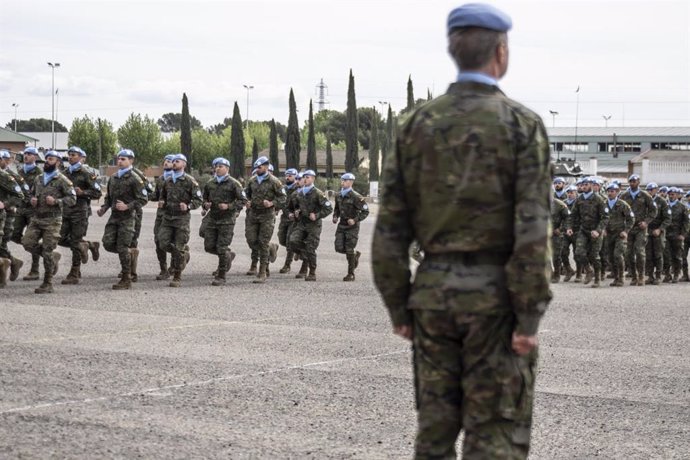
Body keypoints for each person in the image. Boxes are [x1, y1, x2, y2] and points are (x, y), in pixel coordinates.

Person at [372, 4, 551, 458]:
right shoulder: (521, 125)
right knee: (494, 435)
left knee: (434, 429)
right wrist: (528, 316)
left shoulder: (415, 125)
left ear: (454, 50)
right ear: (501, 52)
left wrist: (400, 307)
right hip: (495, 302)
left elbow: (390, 230)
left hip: (432, 296)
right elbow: (532, 230)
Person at [22, 150, 76, 294]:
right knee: (27, 243)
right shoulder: (39, 178)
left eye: (51, 159)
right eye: (46, 159)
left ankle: (48, 283)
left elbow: (72, 199)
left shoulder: (63, 180)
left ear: (57, 162)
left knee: (47, 250)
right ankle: (53, 257)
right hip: (37, 218)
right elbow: (31, 194)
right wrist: (32, 200)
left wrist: (57, 201)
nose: (47, 161)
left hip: (53, 220)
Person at [96, 149, 148, 290]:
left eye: (123, 159)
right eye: (119, 159)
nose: (120, 161)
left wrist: (127, 206)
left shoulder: (135, 179)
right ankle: (130, 253)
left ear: (131, 161)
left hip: (128, 217)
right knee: (107, 243)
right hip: (114, 217)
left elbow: (143, 199)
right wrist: (104, 208)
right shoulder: (113, 178)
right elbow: (109, 197)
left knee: (122, 246)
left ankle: (126, 278)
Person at [58, 146, 102, 284]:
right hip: (66, 211)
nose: (70, 157)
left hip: (80, 212)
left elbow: (97, 193)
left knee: (76, 241)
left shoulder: (87, 173)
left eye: (74, 155)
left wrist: (83, 193)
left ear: (82, 158)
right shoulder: (64, 173)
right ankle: (89, 245)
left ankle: (74, 272)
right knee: (60, 238)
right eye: (69, 154)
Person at [158, 153, 202, 287]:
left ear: (184, 164)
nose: (174, 163)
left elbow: (198, 200)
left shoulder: (190, 181)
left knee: (179, 247)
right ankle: (182, 255)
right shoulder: (168, 181)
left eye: (177, 161)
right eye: (173, 161)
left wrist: (188, 206)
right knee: (162, 242)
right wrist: (162, 202)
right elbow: (163, 197)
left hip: (181, 219)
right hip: (167, 218)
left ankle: (177, 276)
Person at [202, 157, 246, 286]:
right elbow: (204, 199)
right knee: (209, 246)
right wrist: (206, 205)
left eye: (220, 166)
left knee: (221, 247)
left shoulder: (234, 183)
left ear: (227, 168)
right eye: (216, 166)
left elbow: (243, 200)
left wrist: (229, 206)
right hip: (213, 219)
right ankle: (228, 255)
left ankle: (221, 276)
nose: (217, 168)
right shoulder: (210, 183)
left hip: (227, 220)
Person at [244, 156, 285, 283]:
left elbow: (283, 198)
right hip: (253, 215)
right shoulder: (252, 180)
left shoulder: (275, 182)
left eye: (260, 167)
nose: (257, 169)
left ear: (266, 167)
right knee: (251, 240)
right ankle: (270, 247)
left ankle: (262, 272)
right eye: (256, 167)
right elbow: (245, 194)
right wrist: (247, 201)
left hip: (267, 216)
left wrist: (272, 203)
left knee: (262, 242)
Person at [288, 170, 332, 281]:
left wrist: (317, 215)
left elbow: (328, 208)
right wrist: (296, 212)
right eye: (304, 177)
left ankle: (312, 272)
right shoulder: (299, 193)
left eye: (308, 177)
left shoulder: (318, 193)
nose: (305, 179)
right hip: (302, 223)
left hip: (314, 225)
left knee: (310, 248)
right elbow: (295, 206)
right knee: (292, 241)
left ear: (313, 179)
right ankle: (304, 256)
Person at [569, 177, 609, 287]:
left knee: (594, 255)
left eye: (586, 184)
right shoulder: (579, 199)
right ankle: (588, 270)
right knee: (579, 252)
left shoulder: (598, 199)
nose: (583, 187)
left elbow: (605, 217)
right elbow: (573, 215)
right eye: (582, 185)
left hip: (596, 231)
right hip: (584, 230)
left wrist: (598, 230)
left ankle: (597, 279)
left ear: (591, 185)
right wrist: (569, 227)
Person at [13, 147, 45, 280]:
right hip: (20, 209)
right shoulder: (20, 171)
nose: (26, 156)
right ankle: (45, 253)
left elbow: (43, 191)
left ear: (35, 157)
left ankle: (35, 270)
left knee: (32, 238)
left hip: (33, 210)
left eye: (30, 154)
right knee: (13, 234)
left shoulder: (40, 173)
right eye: (25, 154)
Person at [619, 174, 657, 286]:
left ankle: (641, 276)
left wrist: (646, 222)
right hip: (629, 228)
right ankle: (634, 276)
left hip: (641, 228)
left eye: (634, 181)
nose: (632, 183)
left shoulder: (645, 195)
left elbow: (653, 211)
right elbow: (619, 210)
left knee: (640, 252)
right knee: (628, 253)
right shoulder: (624, 195)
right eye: (630, 181)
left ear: (638, 182)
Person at [332, 172, 369, 281]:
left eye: (345, 180)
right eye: (342, 180)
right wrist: (335, 216)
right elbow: (337, 209)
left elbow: (365, 211)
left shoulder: (356, 197)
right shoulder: (338, 195)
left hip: (352, 227)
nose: (342, 182)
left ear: (351, 182)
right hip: (341, 225)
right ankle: (354, 256)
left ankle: (351, 274)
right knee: (338, 247)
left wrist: (355, 220)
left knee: (349, 249)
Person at [0, 149, 28, 282]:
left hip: (7, 214)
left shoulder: (7, 176)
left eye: (5, 159)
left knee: (2, 245)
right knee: (2, 247)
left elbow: (21, 195)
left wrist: (5, 204)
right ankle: (13, 262)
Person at [603, 183, 634, 287]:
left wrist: (626, 231)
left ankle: (621, 277)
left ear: (617, 192)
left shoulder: (622, 204)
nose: (610, 193)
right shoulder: (604, 204)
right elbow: (600, 218)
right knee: (611, 257)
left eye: (612, 191)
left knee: (618, 255)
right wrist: (602, 229)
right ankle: (615, 277)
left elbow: (631, 219)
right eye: (609, 191)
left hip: (619, 235)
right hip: (609, 235)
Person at [150, 154, 175, 280]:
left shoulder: (178, 179)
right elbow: (156, 195)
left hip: (174, 215)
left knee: (173, 242)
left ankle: (177, 261)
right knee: (158, 241)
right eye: (165, 160)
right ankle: (163, 269)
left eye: (169, 161)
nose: (166, 163)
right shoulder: (160, 179)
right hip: (161, 215)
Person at [644, 182, 670, 285]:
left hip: (658, 231)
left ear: (656, 190)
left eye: (652, 190)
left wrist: (660, 229)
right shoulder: (644, 200)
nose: (650, 192)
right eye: (648, 190)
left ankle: (658, 276)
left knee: (658, 254)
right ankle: (650, 276)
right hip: (647, 231)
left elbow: (668, 219)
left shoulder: (662, 202)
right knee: (648, 254)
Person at [664, 187, 689, 283]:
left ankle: (676, 274)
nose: (671, 196)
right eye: (670, 194)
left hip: (677, 235)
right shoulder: (664, 205)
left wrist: (683, 234)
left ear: (677, 195)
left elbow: (686, 222)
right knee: (666, 255)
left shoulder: (682, 207)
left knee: (677, 256)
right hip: (666, 235)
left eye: (673, 194)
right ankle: (667, 274)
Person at [277, 168, 300, 273]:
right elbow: (280, 201)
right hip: (285, 217)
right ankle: (297, 249)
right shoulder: (283, 188)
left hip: (294, 220)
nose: (287, 177)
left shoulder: (299, 189)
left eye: (290, 175)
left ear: (296, 177)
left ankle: (287, 265)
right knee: (281, 239)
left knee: (289, 241)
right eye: (286, 175)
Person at [550, 196, 571, 283]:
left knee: (556, 255)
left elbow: (568, 217)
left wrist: (561, 228)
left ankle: (557, 275)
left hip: (556, 233)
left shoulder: (560, 204)